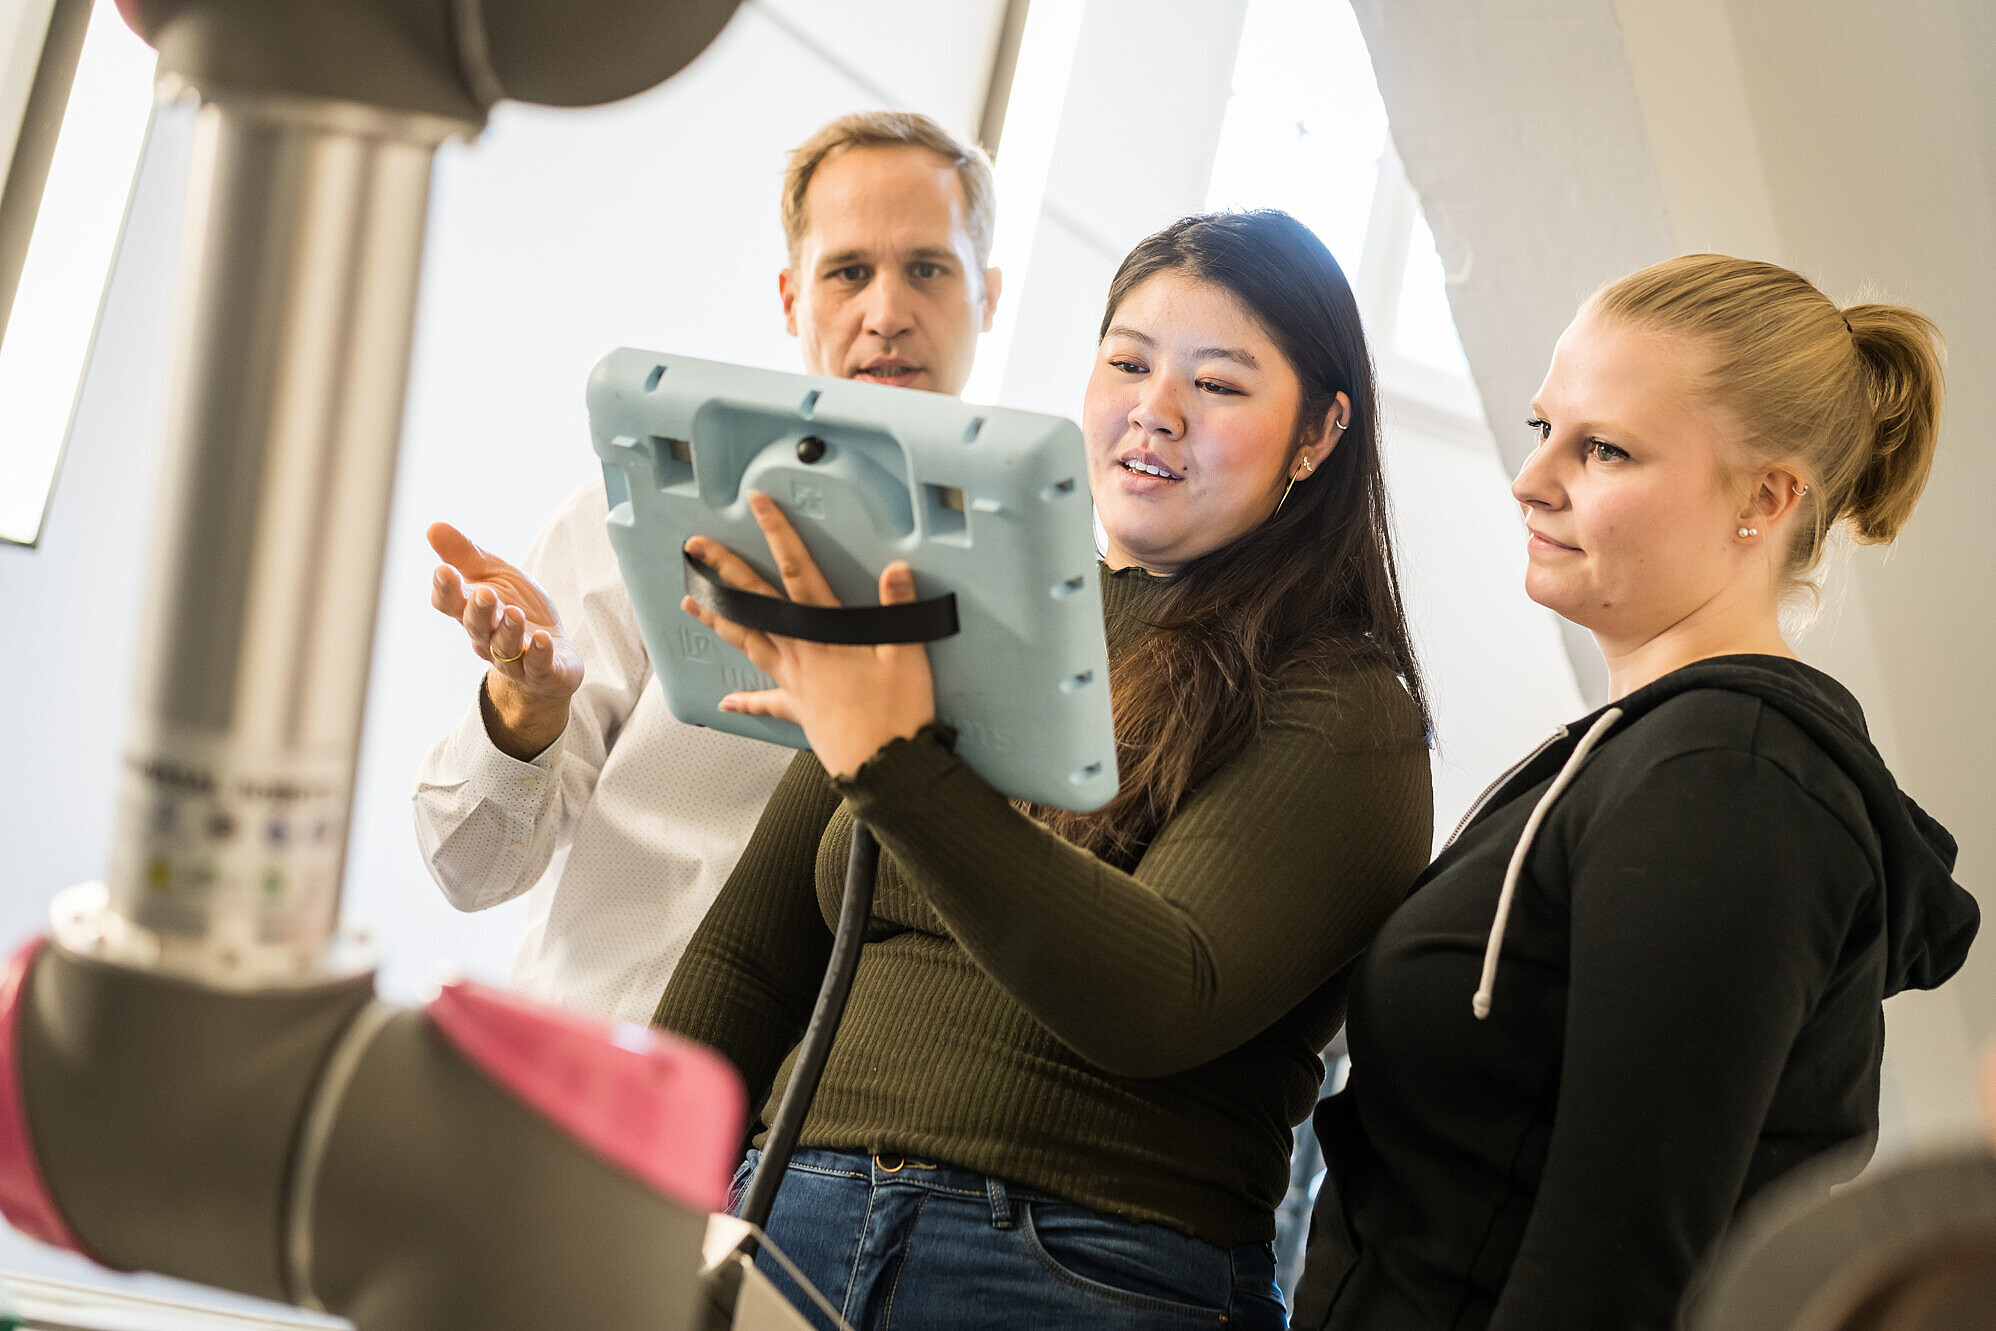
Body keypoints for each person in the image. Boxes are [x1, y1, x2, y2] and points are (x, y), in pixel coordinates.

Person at [654, 209, 1435, 1330]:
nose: (1153, 410)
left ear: (1316, 435)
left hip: (1072, 1265)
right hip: (786, 1221)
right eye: (1126, 361)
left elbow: (1156, 997)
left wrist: (894, 759)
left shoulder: (1342, 702)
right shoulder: (947, 613)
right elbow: (748, 956)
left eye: (1217, 385)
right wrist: (625, 1190)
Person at [1290, 255, 1982, 1330]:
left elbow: (1615, 1263)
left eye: (1602, 447)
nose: (1533, 479)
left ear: (1765, 495)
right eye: (1541, 429)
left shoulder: (1732, 780)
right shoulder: (1646, 752)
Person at [412, 111, 1001, 1023]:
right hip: (593, 1085)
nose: (887, 312)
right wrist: (526, 711)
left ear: (987, 296)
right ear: (791, 298)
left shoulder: (1026, 596)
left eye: (928, 268)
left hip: (842, 1154)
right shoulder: (638, 518)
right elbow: (471, 868)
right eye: (848, 272)